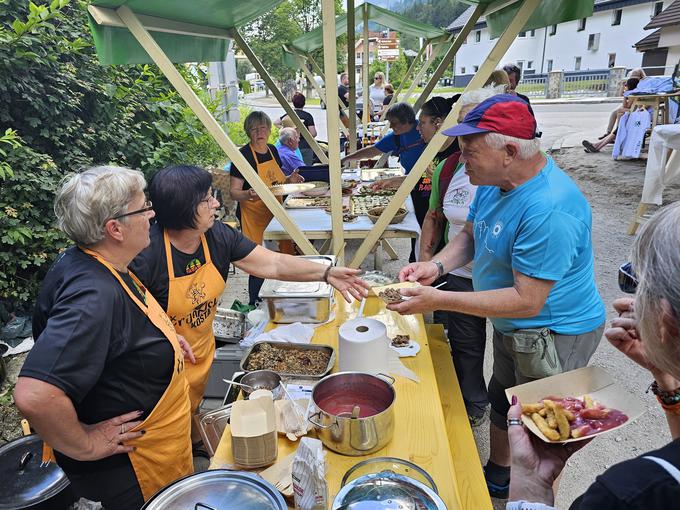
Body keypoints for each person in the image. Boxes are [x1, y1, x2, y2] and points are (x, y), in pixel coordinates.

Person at [388, 95, 606, 499]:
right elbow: (470, 235)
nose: (461, 157)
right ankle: (498, 473)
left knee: (545, 431)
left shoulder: (549, 208)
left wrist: (437, 300)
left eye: (470, 150)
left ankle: (535, 499)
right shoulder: (492, 182)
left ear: (509, 151)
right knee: (503, 397)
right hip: (514, 325)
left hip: (553, 332)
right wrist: (435, 268)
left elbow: (528, 300)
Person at [131, 165, 369, 452]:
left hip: (200, 352)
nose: (216, 203)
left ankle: (196, 442)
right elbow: (128, 324)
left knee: (191, 408)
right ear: (183, 209)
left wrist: (326, 273)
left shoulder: (217, 236)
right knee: (165, 440)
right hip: (160, 369)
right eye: (207, 199)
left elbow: (274, 263)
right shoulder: (145, 256)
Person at [14, 166, 194, 509]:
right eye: (145, 208)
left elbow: (123, 333)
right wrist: (86, 443)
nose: (153, 214)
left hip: (154, 451)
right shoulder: (92, 295)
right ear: (115, 229)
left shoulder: (99, 261)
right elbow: (35, 395)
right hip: (128, 474)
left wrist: (167, 342)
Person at [506, 202, 680, 510]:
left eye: (634, 281)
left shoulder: (632, 494)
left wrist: (530, 486)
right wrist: (668, 378)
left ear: (665, 319)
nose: (627, 299)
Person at [419, 87, 503, 426]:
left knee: (504, 354)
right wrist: (428, 259)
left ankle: (483, 406)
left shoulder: (509, 177)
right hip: (459, 271)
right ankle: (461, 400)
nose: (463, 136)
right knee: (459, 341)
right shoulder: (450, 165)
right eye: (460, 123)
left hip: (501, 279)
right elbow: (437, 216)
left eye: (473, 124)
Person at [229, 111, 304, 304]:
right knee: (259, 264)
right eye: (254, 129)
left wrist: (290, 180)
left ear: (270, 130)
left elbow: (277, 183)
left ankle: (283, 297)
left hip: (276, 213)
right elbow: (233, 192)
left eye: (263, 128)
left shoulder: (272, 149)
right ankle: (255, 303)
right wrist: (247, 194)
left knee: (283, 256)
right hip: (254, 217)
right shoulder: (243, 155)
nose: (259, 132)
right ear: (248, 132)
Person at [340, 102, 427, 262]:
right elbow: (373, 150)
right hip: (411, 183)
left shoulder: (423, 132)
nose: (391, 126)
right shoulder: (397, 136)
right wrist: (347, 158)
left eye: (393, 123)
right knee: (418, 228)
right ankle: (415, 260)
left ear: (407, 121)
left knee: (424, 226)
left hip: (426, 187)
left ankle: (419, 262)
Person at [593, 77, 640, 142]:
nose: (625, 86)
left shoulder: (632, 94)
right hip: (631, 109)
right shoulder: (631, 92)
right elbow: (621, 96)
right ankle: (609, 133)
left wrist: (625, 95)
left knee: (619, 112)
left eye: (626, 85)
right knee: (615, 112)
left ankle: (616, 134)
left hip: (634, 111)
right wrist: (624, 90)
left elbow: (626, 106)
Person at [275, 92, 317, 165]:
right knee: (306, 170)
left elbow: (276, 122)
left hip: (290, 146)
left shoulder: (288, 115)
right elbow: (313, 133)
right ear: (304, 103)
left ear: (293, 103)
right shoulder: (308, 116)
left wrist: (286, 129)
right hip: (305, 147)